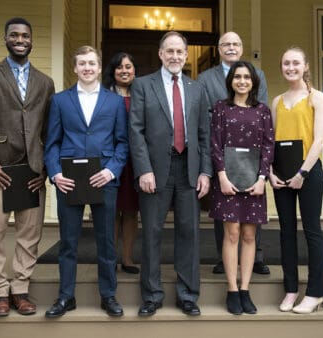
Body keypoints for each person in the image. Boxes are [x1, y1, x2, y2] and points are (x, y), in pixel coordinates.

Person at [0, 17, 54, 317]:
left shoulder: (45, 82)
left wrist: (44, 167)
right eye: (15, 35)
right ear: (6, 39)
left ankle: (20, 289)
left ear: (32, 40)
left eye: (26, 35)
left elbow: (48, 130)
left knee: (29, 234)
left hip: (32, 169)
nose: (21, 39)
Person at [129, 31, 212, 317]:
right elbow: (135, 131)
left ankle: (188, 295)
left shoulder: (197, 88)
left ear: (186, 56)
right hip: (155, 171)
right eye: (170, 51)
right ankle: (152, 295)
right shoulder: (142, 85)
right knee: (151, 233)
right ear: (161, 54)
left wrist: (205, 172)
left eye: (180, 52)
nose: (175, 56)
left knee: (189, 234)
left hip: (189, 169)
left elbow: (204, 134)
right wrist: (144, 169)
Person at [44, 46, 128, 318]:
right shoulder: (60, 101)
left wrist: (112, 171)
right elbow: (52, 142)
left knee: (106, 241)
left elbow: (122, 143)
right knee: (68, 242)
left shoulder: (114, 102)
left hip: (104, 177)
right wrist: (55, 173)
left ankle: (109, 295)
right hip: (69, 179)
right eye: (82, 63)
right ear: (75, 68)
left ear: (99, 66)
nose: (88, 68)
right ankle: (66, 296)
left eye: (92, 63)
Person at [198, 31, 270, 275]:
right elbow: (203, 112)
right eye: (226, 44)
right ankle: (224, 258)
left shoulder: (257, 74)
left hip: (251, 153)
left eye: (236, 44)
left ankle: (255, 258)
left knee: (251, 214)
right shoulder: (206, 78)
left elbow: (263, 110)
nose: (231, 47)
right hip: (222, 147)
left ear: (241, 47)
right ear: (219, 49)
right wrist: (225, 120)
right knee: (225, 212)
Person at [210, 61, 274, 314]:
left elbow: (269, 146)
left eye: (247, 77)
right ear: (231, 81)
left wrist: (262, 179)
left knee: (249, 236)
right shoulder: (221, 108)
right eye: (237, 77)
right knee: (232, 234)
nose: (242, 81)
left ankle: (246, 289)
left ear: (253, 82)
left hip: (254, 181)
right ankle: (232, 290)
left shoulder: (263, 111)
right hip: (227, 179)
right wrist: (222, 177)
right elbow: (215, 143)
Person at [269, 47, 323, 314]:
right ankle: (291, 289)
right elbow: (271, 141)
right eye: (285, 63)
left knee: (312, 231)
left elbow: (318, 140)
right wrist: (270, 171)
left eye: (295, 63)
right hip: (281, 175)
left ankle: (315, 293)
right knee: (286, 232)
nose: (290, 67)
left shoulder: (317, 98)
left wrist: (302, 174)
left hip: (308, 174)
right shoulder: (277, 101)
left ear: (305, 66)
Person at [102, 52, 139, 274]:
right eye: (119, 67)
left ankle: (127, 258)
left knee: (132, 211)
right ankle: (111, 258)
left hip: (135, 161)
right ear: (112, 71)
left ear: (135, 70)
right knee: (111, 211)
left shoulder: (143, 94)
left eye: (128, 66)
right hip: (111, 161)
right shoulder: (104, 96)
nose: (124, 71)